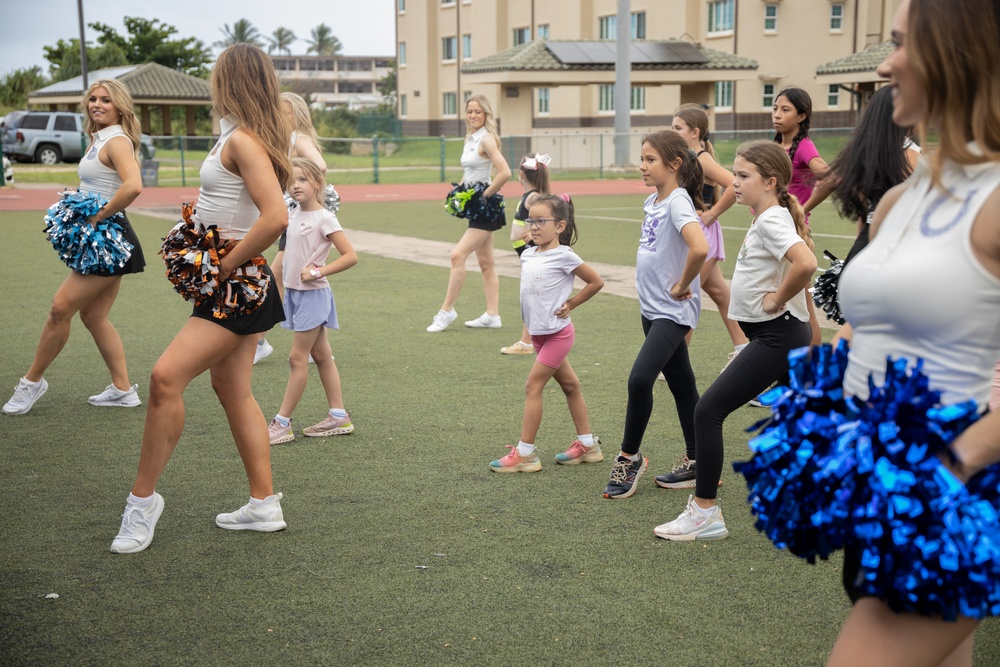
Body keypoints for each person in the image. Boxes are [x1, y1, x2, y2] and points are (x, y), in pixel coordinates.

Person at [827, 1, 1000, 663]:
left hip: (955, 491)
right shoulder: (904, 194)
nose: (884, 62)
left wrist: (950, 465)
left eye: (902, 43)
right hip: (885, 487)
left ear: (960, 53)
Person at [110, 43, 291, 554]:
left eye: (216, 76)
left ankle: (142, 503)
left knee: (166, 378)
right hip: (235, 282)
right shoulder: (236, 134)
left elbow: (275, 217)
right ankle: (263, 504)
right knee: (234, 390)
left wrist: (224, 264)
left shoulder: (245, 141)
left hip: (234, 285)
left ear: (229, 80)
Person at [653, 140, 816, 538]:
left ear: (771, 181)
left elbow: (806, 264)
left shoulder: (773, 219)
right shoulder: (769, 217)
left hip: (777, 337)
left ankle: (704, 513)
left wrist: (777, 299)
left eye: (743, 176)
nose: (734, 183)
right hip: (781, 335)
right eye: (736, 174)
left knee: (707, 412)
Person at [3, 79, 145, 416]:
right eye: (93, 99)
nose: (97, 105)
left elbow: (133, 186)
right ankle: (124, 389)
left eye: (106, 100)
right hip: (104, 240)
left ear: (120, 106)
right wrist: (80, 196)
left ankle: (32, 382)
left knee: (59, 308)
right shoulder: (100, 138)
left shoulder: (117, 140)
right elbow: (102, 183)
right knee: (94, 316)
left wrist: (98, 214)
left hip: (109, 240)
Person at [601, 130, 708, 498]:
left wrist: (682, 284)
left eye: (650, 160)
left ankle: (629, 458)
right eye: (642, 159)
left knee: (639, 379)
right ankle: (698, 462)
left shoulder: (678, 202)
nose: (642, 166)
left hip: (671, 312)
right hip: (651, 310)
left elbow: (700, 247)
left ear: (674, 164)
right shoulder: (655, 202)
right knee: (682, 386)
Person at [489, 194, 604, 472]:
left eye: (541, 221)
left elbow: (596, 281)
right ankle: (588, 445)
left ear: (560, 226)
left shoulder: (564, 255)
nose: (535, 226)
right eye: (532, 220)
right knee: (570, 386)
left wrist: (571, 304)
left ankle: (526, 453)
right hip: (539, 335)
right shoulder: (528, 253)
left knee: (532, 386)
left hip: (557, 335)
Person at [267, 158, 358, 445]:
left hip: (314, 295)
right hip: (296, 294)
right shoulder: (291, 214)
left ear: (318, 183)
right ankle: (338, 416)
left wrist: (318, 270)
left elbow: (350, 256)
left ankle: (282, 423)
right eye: (291, 180)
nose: (296, 185)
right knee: (321, 356)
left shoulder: (325, 218)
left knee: (297, 358)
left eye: (303, 179)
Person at [825, 86, 919, 346]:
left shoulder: (869, 157)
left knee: (859, 339)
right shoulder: (912, 157)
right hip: (895, 255)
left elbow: (865, 214)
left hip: (863, 250)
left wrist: (859, 255)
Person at [671, 104, 749, 370]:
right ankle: (743, 346)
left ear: (695, 132)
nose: (673, 132)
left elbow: (733, 183)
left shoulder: (702, 159)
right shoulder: (689, 158)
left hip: (702, 232)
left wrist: (712, 213)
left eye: (677, 128)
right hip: (696, 231)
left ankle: (676, 360)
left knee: (686, 295)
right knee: (718, 292)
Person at [427, 93, 511, 332]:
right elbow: (470, 170)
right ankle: (492, 315)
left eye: (478, 112)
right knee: (486, 263)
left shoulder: (486, 140)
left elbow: (504, 172)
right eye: (470, 111)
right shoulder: (471, 138)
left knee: (457, 256)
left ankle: (446, 311)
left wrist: (484, 195)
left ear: (486, 114)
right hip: (476, 207)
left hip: (485, 208)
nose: (473, 115)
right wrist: (459, 190)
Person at [255, 91, 328, 365]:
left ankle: (260, 340)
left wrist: (302, 193)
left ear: (296, 115)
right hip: (293, 220)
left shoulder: (300, 139)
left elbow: (319, 166)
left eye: (284, 112)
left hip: (301, 220)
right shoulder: (282, 141)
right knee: (295, 276)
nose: (278, 116)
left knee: (280, 275)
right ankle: (315, 346)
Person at [772, 87, 827, 347]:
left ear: (802, 116)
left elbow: (830, 177)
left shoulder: (804, 147)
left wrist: (802, 209)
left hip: (794, 235)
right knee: (773, 301)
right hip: (770, 232)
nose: (777, 115)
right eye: (775, 108)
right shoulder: (775, 146)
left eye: (785, 110)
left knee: (804, 306)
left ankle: (815, 369)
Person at [501, 153, 552, 355]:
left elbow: (549, 214)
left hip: (530, 250)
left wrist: (533, 231)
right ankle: (532, 340)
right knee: (533, 294)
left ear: (520, 174)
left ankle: (527, 343)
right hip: (526, 251)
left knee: (532, 294)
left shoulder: (533, 197)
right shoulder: (531, 195)